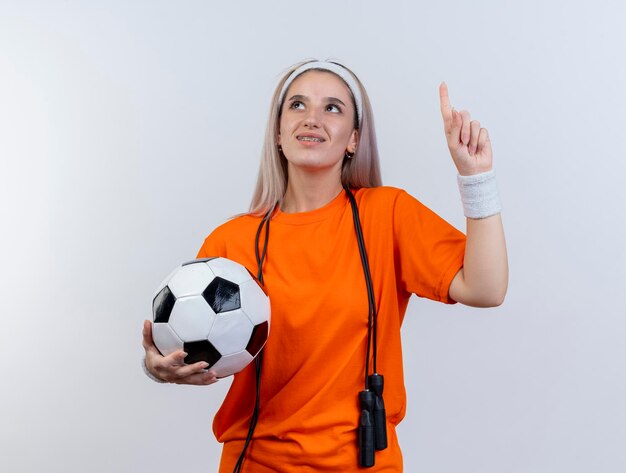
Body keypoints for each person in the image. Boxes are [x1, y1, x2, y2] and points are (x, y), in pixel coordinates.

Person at [142, 59, 508, 472]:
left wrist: (476, 178)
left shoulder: (388, 215)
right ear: (278, 134)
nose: (312, 118)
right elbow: (185, 347)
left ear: (353, 139)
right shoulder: (232, 242)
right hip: (256, 462)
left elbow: (485, 288)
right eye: (297, 105)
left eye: (332, 107)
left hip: (365, 464)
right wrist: (158, 368)